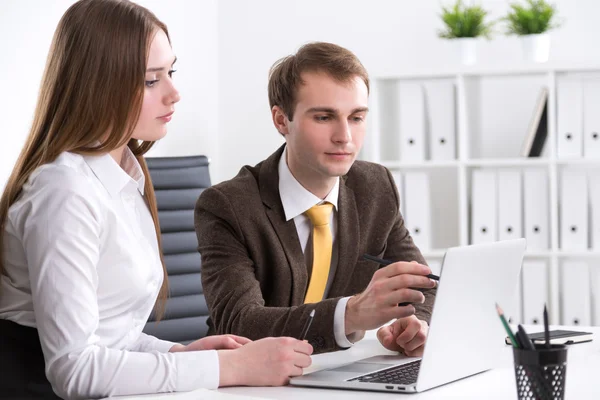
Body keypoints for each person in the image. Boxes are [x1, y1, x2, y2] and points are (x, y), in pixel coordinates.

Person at [0, 1, 311, 399]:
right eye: (151, 81)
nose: (174, 93)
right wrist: (225, 367)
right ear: (98, 84)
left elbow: (114, 336)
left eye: (171, 72)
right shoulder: (64, 192)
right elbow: (74, 369)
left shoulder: (124, 175)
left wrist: (181, 354)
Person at [195, 42, 437, 356]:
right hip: (249, 381)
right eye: (324, 118)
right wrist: (350, 314)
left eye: (356, 118)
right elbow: (239, 322)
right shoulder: (227, 206)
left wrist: (415, 323)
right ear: (282, 120)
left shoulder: (375, 187)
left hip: (336, 372)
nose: (345, 137)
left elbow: (423, 282)